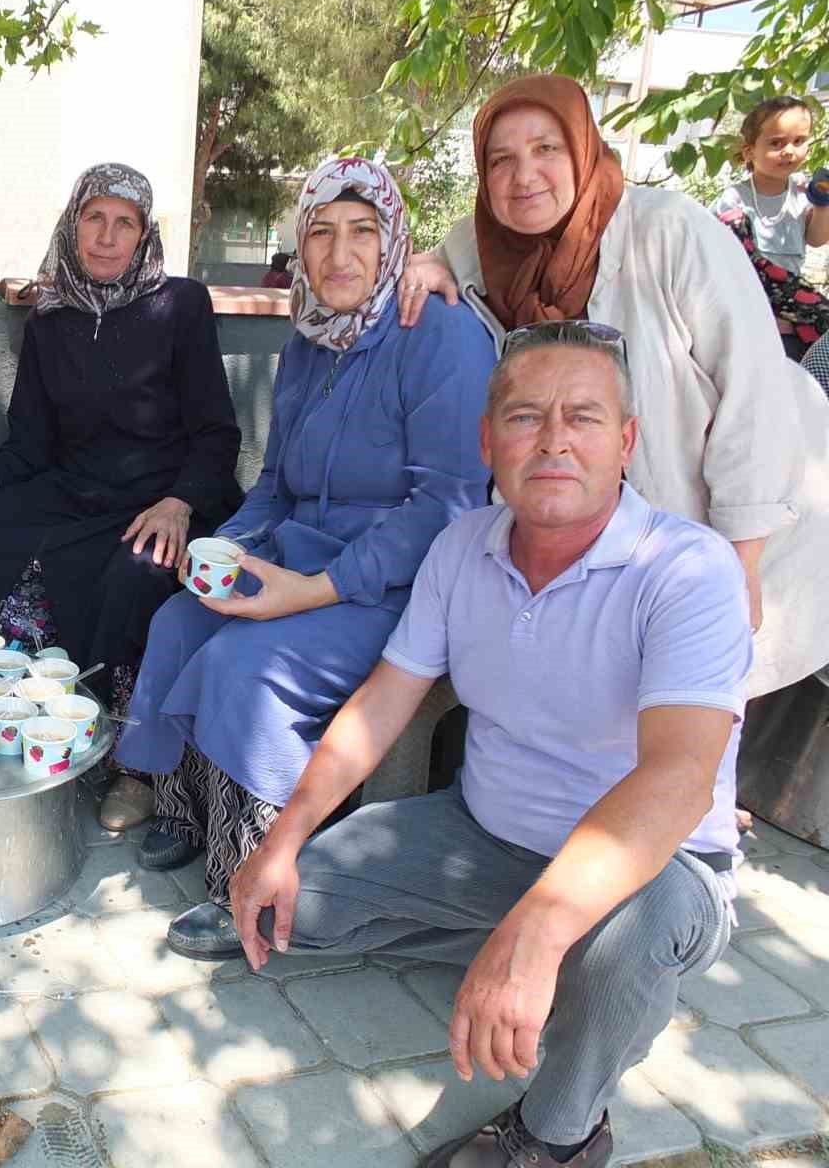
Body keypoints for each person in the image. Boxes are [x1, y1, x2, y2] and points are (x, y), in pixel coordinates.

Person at [231, 322, 747, 1168]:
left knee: (635, 937)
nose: (552, 442)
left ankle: (559, 1131)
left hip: (654, 873)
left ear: (625, 442)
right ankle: (529, 960)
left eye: (582, 418)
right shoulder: (459, 546)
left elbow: (682, 777)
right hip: (482, 838)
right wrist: (283, 840)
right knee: (292, 908)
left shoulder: (687, 570)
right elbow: (381, 703)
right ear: (486, 440)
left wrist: (537, 935)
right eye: (524, 417)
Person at [116, 158, 496, 960]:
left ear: (395, 240)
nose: (340, 254)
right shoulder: (307, 342)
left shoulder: (439, 336)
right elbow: (278, 483)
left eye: (364, 232)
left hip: (399, 583)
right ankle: (189, 810)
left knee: (252, 665)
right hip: (301, 560)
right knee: (179, 620)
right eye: (320, 233)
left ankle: (248, 877)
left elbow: (447, 507)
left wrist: (315, 590)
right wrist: (233, 547)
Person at [397, 73, 829, 701]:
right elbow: (444, 254)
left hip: (746, 514)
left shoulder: (669, 232)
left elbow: (755, 397)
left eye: (546, 149)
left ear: (583, 148)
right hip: (601, 537)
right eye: (501, 158)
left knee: (700, 704)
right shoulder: (487, 246)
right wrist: (430, 263)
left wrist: (742, 557)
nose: (524, 176)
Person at [0, 163, 243, 831]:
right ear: (73, 225)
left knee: (136, 573)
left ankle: (133, 765)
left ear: (144, 234)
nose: (106, 236)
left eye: (123, 222)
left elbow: (216, 431)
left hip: (165, 494)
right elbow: (30, 441)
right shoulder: (51, 317)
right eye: (94, 218)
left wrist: (181, 502)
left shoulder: (180, 304)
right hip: (76, 489)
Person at [709, 96, 829, 362]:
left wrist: (822, 205)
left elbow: (817, 238)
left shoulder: (803, 192)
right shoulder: (734, 198)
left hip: (793, 316)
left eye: (799, 141)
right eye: (777, 143)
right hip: (748, 308)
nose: (789, 150)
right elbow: (722, 253)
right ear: (750, 151)